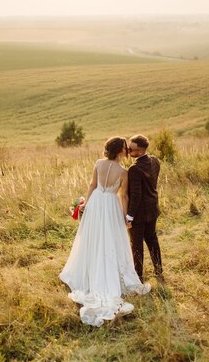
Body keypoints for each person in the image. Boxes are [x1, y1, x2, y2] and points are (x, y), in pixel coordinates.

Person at [60, 136, 151, 327]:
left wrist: (86, 204)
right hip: (110, 205)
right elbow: (124, 196)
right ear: (120, 151)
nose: (127, 151)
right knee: (110, 238)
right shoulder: (123, 172)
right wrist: (126, 217)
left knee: (92, 237)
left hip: (96, 203)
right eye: (125, 148)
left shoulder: (99, 163)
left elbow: (92, 185)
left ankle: (89, 268)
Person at [126, 134, 163, 282]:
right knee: (152, 239)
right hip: (153, 208)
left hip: (139, 213)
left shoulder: (134, 169)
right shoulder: (155, 161)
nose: (128, 151)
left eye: (131, 149)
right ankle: (158, 269)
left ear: (140, 152)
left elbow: (136, 195)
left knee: (136, 244)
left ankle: (138, 275)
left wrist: (129, 216)